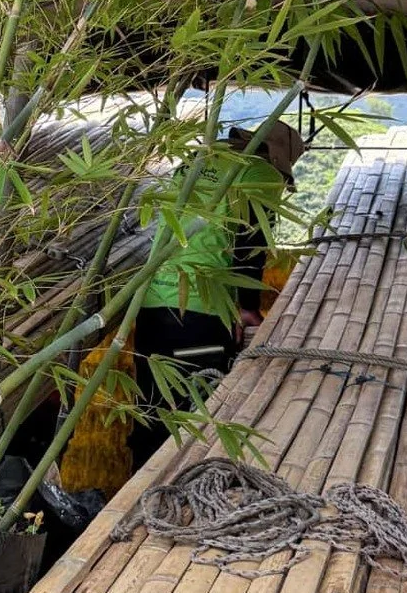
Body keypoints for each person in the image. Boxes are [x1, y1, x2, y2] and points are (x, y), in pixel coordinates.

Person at [130, 117, 305, 465]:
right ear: (277, 157)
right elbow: (250, 244)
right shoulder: (260, 173)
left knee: (153, 409)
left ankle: (138, 486)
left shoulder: (198, 161)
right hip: (199, 310)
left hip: (151, 304)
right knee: (197, 414)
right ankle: (184, 486)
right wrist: (247, 308)